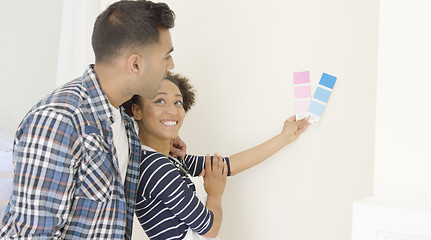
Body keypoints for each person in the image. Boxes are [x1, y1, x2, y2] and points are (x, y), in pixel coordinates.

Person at [0, 1, 180, 239]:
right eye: (166, 57)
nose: (171, 66)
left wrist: (162, 140)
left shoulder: (123, 123)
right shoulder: (59, 122)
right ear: (135, 63)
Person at [123, 73, 310, 240]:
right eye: (160, 101)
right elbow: (209, 228)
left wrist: (284, 137)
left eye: (177, 102)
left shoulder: (169, 159)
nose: (173, 110)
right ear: (137, 110)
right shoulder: (155, 166)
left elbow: (229, 166)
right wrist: (215, 194)